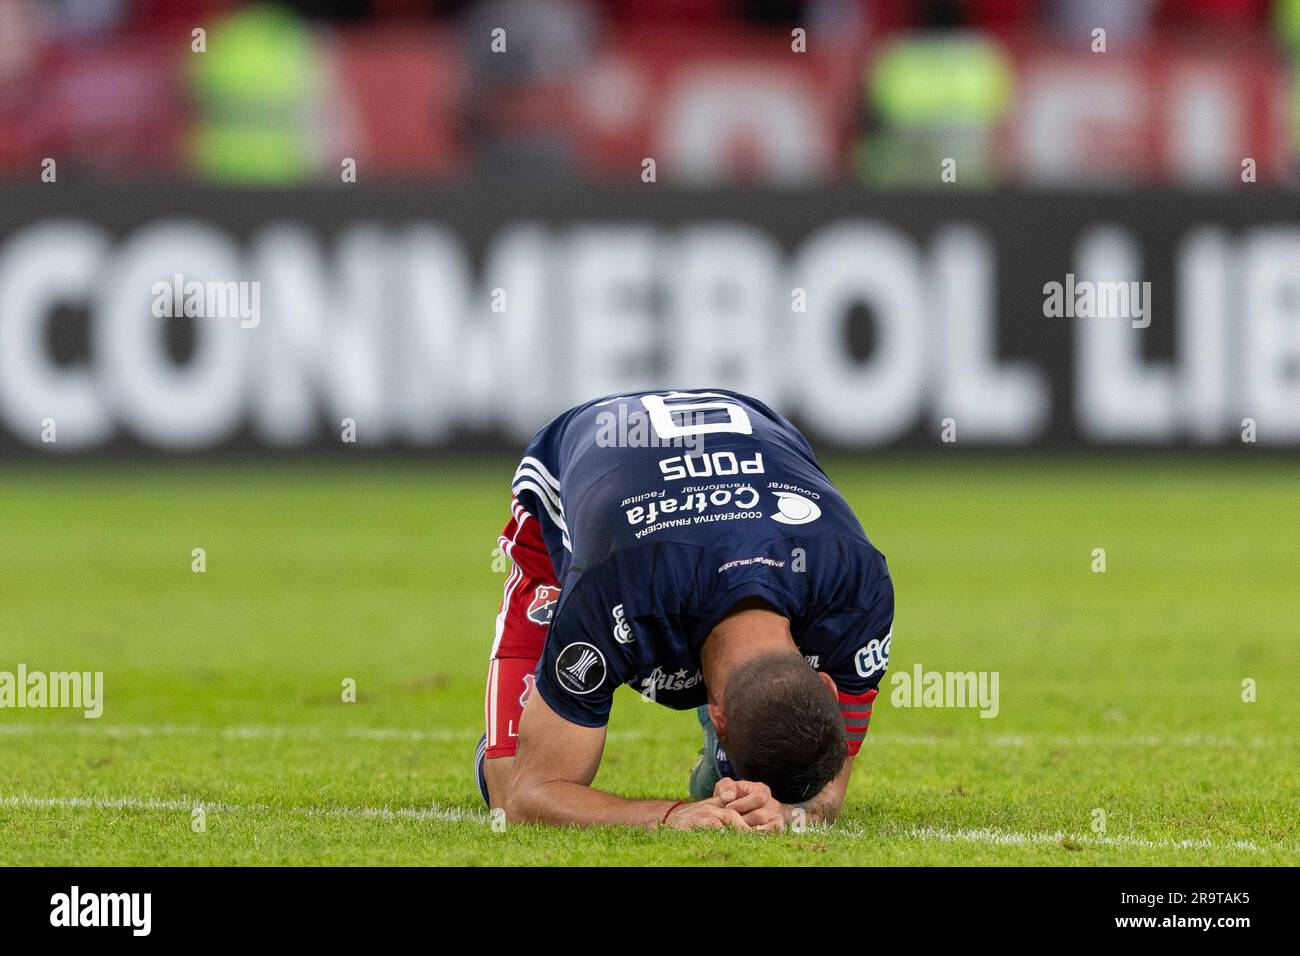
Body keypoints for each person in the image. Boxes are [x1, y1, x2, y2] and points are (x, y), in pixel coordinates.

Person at [475, 389, 893, 830]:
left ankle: (732, 750)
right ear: (719, 715)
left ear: (828, 686)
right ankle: (728, 749)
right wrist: (672, 816)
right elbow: (529, 797)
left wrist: (792, 813)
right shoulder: (613, 587)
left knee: (785, 754)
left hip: (753, 447)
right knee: (503, 791)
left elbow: (828, 794)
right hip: (589, 453)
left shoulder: (858, 584)